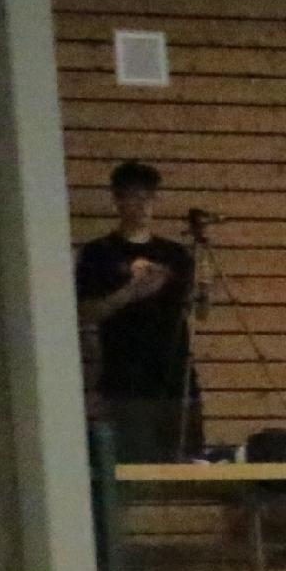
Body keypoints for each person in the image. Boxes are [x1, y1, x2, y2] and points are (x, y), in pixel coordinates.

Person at [72, 160, 194, 462]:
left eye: (149, 197)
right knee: (132, 467)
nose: (143, 205)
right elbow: (85, 312)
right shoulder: (99, 253)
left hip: (175, 376)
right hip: (125, 380)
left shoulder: (176, 255)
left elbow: (197, 310)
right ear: (117, 199)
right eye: (134, 196)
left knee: (185, 464)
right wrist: (129, 293)